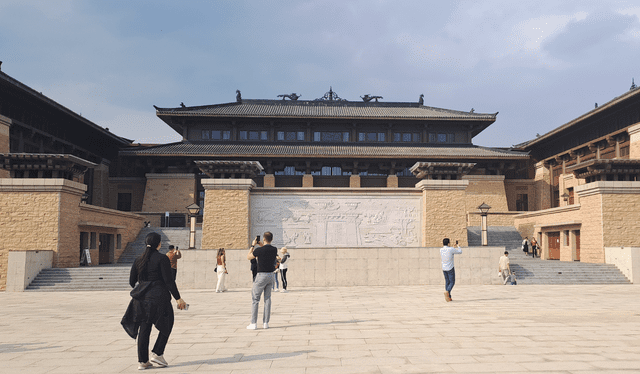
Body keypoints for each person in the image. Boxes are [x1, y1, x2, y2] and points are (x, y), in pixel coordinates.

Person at [122, 232, 187, 370]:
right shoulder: (162, 258)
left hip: (141, 298)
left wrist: (144, 282)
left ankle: (143, 361)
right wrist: (178, 298)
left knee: (144, 327)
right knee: (168, 322)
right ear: (159, 244)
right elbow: (169, 281)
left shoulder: (138, 259)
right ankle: (157, 353)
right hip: (158, 297)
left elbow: (131, 281)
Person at [246, 232, 277, 329]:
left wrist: (253, 245)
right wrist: (261, 245)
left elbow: (249, 257)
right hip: (271, 275)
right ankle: (265, 323)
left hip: (261, 276)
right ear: (271, 239)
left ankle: (253, 323)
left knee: (255, 299)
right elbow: (267, 250)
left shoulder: (259, 250)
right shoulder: (274, 249)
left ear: (263, 239)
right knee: (267, 299)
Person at [440, 238, 462, 302]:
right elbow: (460, 251)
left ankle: (449, 297)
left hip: (444, 268)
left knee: (447, 282)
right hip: (450, 268)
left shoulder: (441, 250)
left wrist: (453, 247)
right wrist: (458, 246)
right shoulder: (451, 249)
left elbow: (448, 251)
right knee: (452, 282)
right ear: (449, 243)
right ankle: (448, 291)